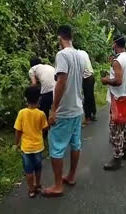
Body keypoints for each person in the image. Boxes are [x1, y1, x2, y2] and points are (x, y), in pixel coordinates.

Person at [42, 25, 85, 197]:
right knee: (75, 143)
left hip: (65, 111)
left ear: (60, 38)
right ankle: (71, 176)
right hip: (77, 107)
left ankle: (58, 185)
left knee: (57, 148)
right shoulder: (80, 55)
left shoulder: (62, 55)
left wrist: (53, 110)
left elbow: (61, 82)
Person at [101, 35, 126, 170]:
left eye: (113, 44)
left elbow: (118, 80)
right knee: (124, 126)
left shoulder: (117, 61)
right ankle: (125, 151)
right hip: (125, 96)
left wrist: (106, 80)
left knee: (115, 130)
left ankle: (117, 158)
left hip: (117, 99)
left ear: (115, 44)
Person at [14, 86, 48, 198]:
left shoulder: (21, 113)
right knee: (38, 167)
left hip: (26, 148)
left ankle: (31, 190)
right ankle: (37, 185)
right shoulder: (41, 114)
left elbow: (18, 131)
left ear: (25, 99)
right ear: (39, 99)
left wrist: (17, 143)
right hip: (38, 147)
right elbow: (44, 128)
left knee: (28, 170)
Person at [78, 49, 97, 125]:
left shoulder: (76, 55)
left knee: (86, 98)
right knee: (90, 96)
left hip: (86, 78)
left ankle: (87, 117)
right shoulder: (83, 52)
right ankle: (93, 113)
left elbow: (80, 69)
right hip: (91, 76)